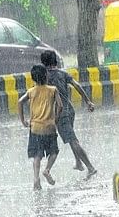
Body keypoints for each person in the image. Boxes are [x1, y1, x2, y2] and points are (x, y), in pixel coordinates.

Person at [40, 50, 98, 180]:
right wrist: (87, 101)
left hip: (59, 113)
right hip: (69, 109)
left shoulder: (44, 77)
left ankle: (90, 167)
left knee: (72, 140)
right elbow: (76, 85)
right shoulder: (63, 73)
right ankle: (78, 162)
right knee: (71, 136)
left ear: (43, 63)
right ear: (55, 61)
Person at [18, 64, 63, 191]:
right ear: (46, 75)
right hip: (49, 127)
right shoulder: (53, 90)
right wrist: (56, 120)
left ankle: (36, 179)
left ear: (33, 78)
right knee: (54, 152)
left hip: (35, 128)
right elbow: (60, 106)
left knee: (37, 155)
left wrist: (23, 121)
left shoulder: (31, 91)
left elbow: (20, 102)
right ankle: (47, 170)